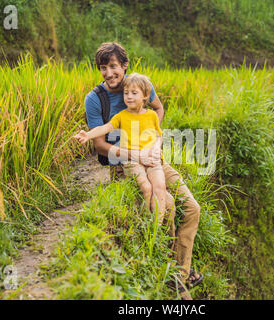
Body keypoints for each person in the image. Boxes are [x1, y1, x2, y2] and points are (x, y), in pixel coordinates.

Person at [80, 42, 203, 298]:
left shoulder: (140, 85)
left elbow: (158, 109)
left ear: (124, 65)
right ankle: (170, 275)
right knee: (165, 203)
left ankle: (179, 275)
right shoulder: (95, 99)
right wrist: (137, 153)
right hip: (124, 164)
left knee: (192, 207)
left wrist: (150, 139)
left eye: (113, 66)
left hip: (154, 159)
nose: (108, 73)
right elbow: (100, 145)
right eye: (103, 68)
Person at [74, 72, 171, 226]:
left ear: (145, 96)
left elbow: (158, 135)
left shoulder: (152, 115)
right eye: (126, 93)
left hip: (152, 158)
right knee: (146, 187)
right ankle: (145, 221)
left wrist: (156, 148)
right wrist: (88, 135)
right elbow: (105, 128)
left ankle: (156, 228)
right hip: (132, 160)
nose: (129, 97)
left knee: (159, 186)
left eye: (134, 93)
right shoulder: (121, 116)